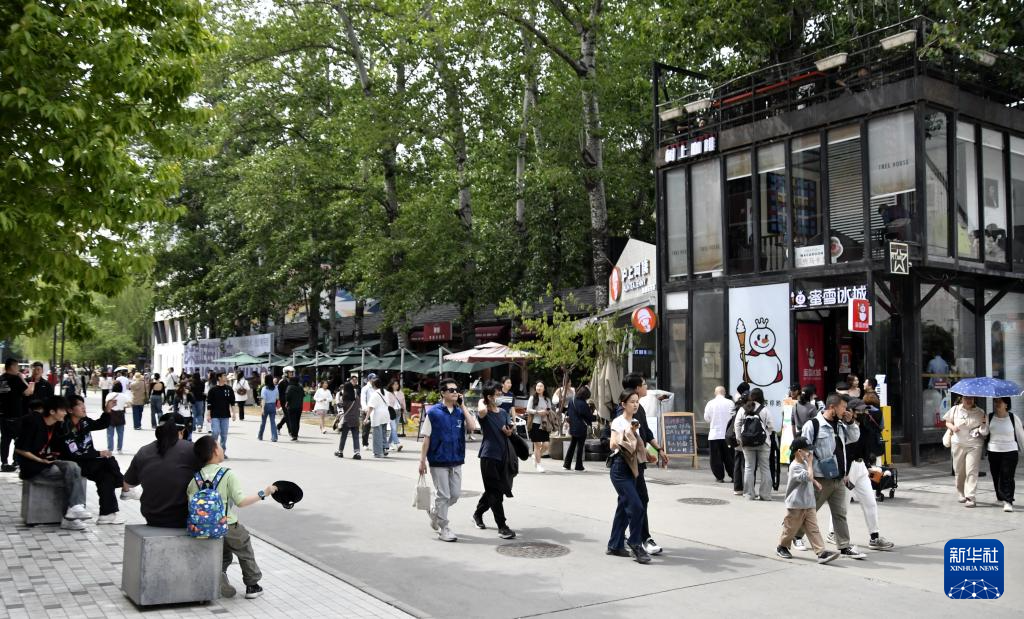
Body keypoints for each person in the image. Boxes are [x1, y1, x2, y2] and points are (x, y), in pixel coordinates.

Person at [187, 435, 277, 600]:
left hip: (205, 529)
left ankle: (218, 576)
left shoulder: (195, 478)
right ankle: (252, 585)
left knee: (223, 554)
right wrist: (264, 493)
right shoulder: (227, 474)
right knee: (244, 550)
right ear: (215, 451)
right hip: (228, 525)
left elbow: (191, 502)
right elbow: (241, 502)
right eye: (220, 446)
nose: (222, 449)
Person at [793, 394, 866, 559]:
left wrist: (850, 422)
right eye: (843, 407)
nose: (845, 411)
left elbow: (854, 438)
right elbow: (804, 450)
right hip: (820, 477)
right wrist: (808, 474)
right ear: (832, 407)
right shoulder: (813, 425)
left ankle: (844, 546)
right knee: (810, 511)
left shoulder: (841, 425)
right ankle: (796, 536)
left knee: (840, 513)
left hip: (838, 477)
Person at [14, 396, 92, 530]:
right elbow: (20, 449)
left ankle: (74, 509)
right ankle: (70, 517)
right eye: (62, 410)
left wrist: (51, 456)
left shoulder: (54, 425)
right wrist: (40, 460)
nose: (65, 413)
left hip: (46, 462)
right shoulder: (35, 423)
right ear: (52, 411)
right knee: (73, 477)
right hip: (34, 468)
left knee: (73, 467)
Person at [61, 395, 139, 524]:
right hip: (73, 463)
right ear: (70, 410)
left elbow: (101, 424)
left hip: (88, 461)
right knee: (108, 461)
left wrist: (107, 410)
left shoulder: (84, 421)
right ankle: (125, 487)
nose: (84, 407)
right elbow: (73, 453)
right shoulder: (64, 427)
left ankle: (106, 514)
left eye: (83, 404)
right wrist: (99, 453)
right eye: (79, 405)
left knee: (106, 476)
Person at [829, 399, 894, 550]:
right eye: (859, 410)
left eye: (864, 410)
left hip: (861, 467)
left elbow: (871, 448)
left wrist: (868, 465)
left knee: (870, 502)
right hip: (847, 469)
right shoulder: (841, 427)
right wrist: (844, 472)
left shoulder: (865, 426)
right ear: (850, 411)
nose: (863, 413)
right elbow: (841, 451)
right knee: (842, 505)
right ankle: (832, 533)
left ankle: (874, 537)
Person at [418, 377, 478, 542]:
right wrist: (422, 461)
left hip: (456, 459)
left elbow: (472, 427)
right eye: (451, 390)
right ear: (442, 393)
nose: (455, 392)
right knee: (444, 495)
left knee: (455, 495)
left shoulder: (459, 412)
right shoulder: (433, 413)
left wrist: (463, 406)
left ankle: (435, 512)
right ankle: (444, 528)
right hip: (438, 460)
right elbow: (426, 438)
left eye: (456, 390)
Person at [123, 413, 198, 528]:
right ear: (183, 431)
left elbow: (128, 483)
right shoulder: (192, 449)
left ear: (159, 430)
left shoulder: (144, 451)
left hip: (152, 516)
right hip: (183, 517)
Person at [606, 389, 654, 564]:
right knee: (637, 507)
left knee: (623, 508)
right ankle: (635, 544)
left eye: (637, 401)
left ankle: (615, 545)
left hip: (632, 468)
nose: (635, 404)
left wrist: (649, 455)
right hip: (620, 469)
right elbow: (612, 444)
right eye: (632, 402)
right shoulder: (618, 421)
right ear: (623, 404)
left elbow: (637, 445)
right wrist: (627, 431)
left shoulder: (635, 422)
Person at [775, 436, 839, 564]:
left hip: (809, 503)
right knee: (790, 529)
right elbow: (808, 475)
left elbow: (809, 477)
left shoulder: (803, 464)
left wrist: (815, 482)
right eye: (807, 450)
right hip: (796, 504)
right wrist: (810, 463)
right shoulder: (794, 466)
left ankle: (821, 552)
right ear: (799, 451)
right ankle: (782, 547)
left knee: (813, 529)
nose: (810, 453)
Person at [472, 380, 517, 539]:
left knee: (496, 490)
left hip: (503, 456)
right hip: (489, 456)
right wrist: (482, 399)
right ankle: (502, 526)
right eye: (497, 394)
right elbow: (481, 410)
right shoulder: (484, 413)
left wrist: (509, 431)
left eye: (500, 393)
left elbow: (510, 430)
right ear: (489, 397)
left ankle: (477, 513)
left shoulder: (503, 413)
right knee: (495, 492)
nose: (500, 397)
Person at [944, 395, 988, 507]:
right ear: (961, 399)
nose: (968, 400)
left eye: (971, 398)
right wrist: (953, 428)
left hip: (974, 445)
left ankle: (970, 497)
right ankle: (960, 492)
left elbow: (984, 431)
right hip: (958, 444)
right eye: (966, 398)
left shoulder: (980, 412)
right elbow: (947, 422)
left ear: (974, 399)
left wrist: (983, 424)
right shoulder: (955, 409)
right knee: (959, 471)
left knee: (972, 471)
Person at [735, 388, 774, 501]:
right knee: (765, 468)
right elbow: (771, 427)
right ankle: (765, 495)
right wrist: (765, 434)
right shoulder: (764, 410)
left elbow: (737, 425)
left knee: (749, 468)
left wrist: (739, 438)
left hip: (747, 443)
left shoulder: (743, 409)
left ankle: (749, 494)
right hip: (763, 443)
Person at [988, 397, 1024, 513]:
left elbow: (1021, 436)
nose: (997, 403)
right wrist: (982, 425)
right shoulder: (989, 417)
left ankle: (1008, 501)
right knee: (996, 476)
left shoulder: (1013, 418)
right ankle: (1000, 496)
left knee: (1007, 477)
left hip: (1010, 451)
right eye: (995, 401)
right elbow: (984, 432)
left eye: (1000, 401)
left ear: (1006, 404)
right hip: (993, 451)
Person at [1, 358, 35, 472]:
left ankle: (4, 462)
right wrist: (22, 378)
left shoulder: (1, 379)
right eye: (17, 366)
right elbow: (28, 392)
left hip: (3, 414)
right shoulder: (16, 379)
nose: (18, 368)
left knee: (5, 439)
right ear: (11, 366)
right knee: (19, 438)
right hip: (15, 414)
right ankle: (16, 461)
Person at [704, 386, 735, 483]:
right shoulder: (730, 403)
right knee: (729, 457)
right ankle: (733, 475)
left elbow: (707, 418)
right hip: (728, 435)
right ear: (724, 393)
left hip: (714, 434)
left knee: (716, 458)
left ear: (715, 393)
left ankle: (719, 477)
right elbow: (734, 417)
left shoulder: (710, 403)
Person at [563, 385, 594, 471]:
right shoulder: (583, 404)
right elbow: (589, 416)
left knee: (572, 445)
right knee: (580, 447)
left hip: (573, 426)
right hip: (581, 427)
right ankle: (578, 466)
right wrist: (593, 415)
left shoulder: (572, 400)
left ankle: (566, 464)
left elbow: (569, 413)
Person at [526, 381, 552, 472]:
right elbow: (528, 409)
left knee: (546, 445)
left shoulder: (547, 399)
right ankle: (539, 465)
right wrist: (537, 412)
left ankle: (536, 456)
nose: (539, 388)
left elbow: (549, 409)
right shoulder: (532, 398)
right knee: (537, 445)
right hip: (534, 424)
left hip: (544, 424)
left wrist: (546, 412)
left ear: (544, 388)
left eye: (541, 386)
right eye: (537, 386)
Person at [206, 372, 234, 456]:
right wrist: (208, 414)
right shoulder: (213, 390)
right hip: (215, 415)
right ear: (219, 378)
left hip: (225, 415)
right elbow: (209, 403)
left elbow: (232, 402)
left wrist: (234, 413)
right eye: (224, 376)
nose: (226, 377)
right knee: (215, 432)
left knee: (224, 435)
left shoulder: (229, 389)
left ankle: (222, 452)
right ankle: (213, 450)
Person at [334, 375, 361, 459]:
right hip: (355, 419)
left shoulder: (345, 398)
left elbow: (341, 407)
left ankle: (340, 451)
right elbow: (359, 406)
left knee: (344, 436)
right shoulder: (357, 397)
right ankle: (357, 453)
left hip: (347, 420)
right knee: (355, 437)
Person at [365, 377, 390, 457]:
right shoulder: (386, 392)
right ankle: (384, 448)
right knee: (383, 433)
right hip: (386, 414)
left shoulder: (375, 394)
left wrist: (366, 418)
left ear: (374, 385)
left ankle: (378, 452)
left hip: (378, 415)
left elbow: (371, 407)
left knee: (377, 434)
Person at [104, 382, 130, 453]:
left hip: (111, 414)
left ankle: (110, 449)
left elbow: (106, 404)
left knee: (110, 434)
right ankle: (119, 449)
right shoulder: (124, 395)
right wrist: (123, 406)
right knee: (120, 433)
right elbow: (129, 404)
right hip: (120, 414)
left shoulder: (109, 395)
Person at [284, 374, 305, 441]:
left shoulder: (289, 387)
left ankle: (294, 435)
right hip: (299, 406)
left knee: (292, 421)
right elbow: (303, 395)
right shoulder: (300, 387)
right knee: (297, 421)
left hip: (291, 406)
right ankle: (296, 434)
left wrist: (287, 402)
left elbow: (287, 396)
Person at [386, 378, 406, 451]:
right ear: (391, 385)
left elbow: (403, 403)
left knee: (394, 429)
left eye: (397, 384)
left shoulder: (401, 393)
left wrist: (404, 412)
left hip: (398, 411)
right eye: (394, 384)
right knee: (394, 428)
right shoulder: (388, 393)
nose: (396, 386)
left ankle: (388, 444)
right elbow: (387, 403)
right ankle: (397, 444)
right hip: (391, 411)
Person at [258, 376, 279, 442]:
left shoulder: (264, 388)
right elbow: (277, 397)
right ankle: (274, 437)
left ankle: (260, 436)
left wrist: (262, 409)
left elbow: (263, 399)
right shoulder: (275, 388)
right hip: (273, 405)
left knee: (263, 422)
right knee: (273, 422)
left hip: (266, 405)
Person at [360, 372, 377, 448]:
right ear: (369, 379)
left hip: (376, 410)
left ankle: (377, 445)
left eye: (375, 378)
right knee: (366, 428)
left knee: (376, 428)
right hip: (367, 410)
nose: (374, 380)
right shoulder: (365, 388)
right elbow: (363, 400)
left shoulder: (377, 388)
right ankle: (365, 443)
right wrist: (365, 408)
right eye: (373, 379)